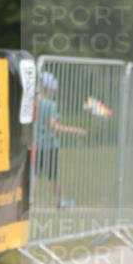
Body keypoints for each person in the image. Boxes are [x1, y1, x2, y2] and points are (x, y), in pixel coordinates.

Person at [35, 71, 87, 207]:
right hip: (49, 145)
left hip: (35, 144)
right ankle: (60, 202)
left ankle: (25, 202)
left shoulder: (34, 103)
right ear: (47, 88)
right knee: (54, 176)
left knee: (34, 175)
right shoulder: (50, 104)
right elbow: (54, 126)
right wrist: (75, 130)